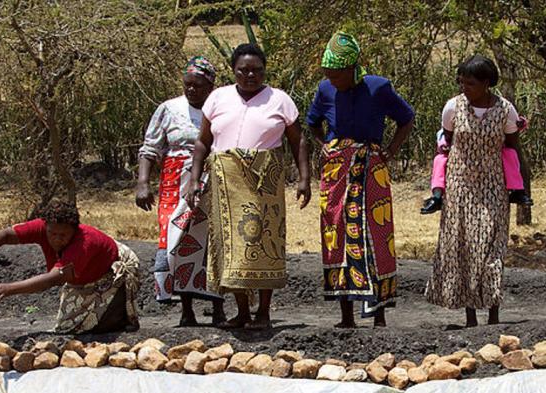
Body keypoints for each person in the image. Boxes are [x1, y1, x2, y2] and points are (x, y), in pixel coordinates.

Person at [188, 43, 311, 330]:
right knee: (232, 245)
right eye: (243, 70)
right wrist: (194, 178)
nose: (250, 75)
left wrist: (305, 178)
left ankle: (264, 313)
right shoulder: (218, 98)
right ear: (233, 71)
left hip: (264, 181)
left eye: (256, 70)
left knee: (265, 240)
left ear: (264, 71)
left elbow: (298, 141)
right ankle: (242, 311)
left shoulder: (280, 100)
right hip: (225, 182)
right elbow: (202, 142)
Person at [306, 31, 414, 328]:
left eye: (338, 75)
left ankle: (379, 315)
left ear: (353, 68)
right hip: (337, 173)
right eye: (329, 75)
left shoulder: (378, 88)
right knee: (336, 234)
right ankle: (346, 317)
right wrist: (325, 148)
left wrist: (390, 150)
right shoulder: (325, 90)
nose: (333, 81)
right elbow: (313, 123)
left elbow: (406, 117)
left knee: (376, 236)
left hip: (371, 171)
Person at [424, 56, 522, 328]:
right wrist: (439, 190)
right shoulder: (453, 108)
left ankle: (493, 310)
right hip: (460, 185)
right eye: (462, 81)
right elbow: (446, 146)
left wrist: (517, 187)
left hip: (493, 185)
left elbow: (511, 147)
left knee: (492, 245)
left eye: (471, 83)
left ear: (487, 84)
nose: (464, 87)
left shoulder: (505, 110)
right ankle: (469, 314)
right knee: (464, 246)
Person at [136, 56, 226, 327]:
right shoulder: (168, 109)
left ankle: (218, 307)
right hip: (174, 183)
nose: (191, 90)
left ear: (210, 87)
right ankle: (186, 309)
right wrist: (143, 183)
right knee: (177, 240)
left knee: (212, 241)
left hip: (212, 180)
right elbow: (150, 148)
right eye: (187, 85)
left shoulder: (221, 109)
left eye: (198, 86)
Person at [0, 200, 140, 333]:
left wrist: (8, 289)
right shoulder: (42, 226)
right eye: (52, 234)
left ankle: (118, 314)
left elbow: (52, 279)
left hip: (110, 268)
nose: (56, 239)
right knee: (68, 326)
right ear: (45, 227)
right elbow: (6, 234)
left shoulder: (83, 243)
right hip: (81, 275)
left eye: (63, 235)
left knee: (93, 327)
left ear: (74, 232)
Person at [421, 115, 532, 215]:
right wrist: (446, 145)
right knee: (439, 160)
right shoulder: (451, 122)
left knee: (510, 153)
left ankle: (518, 190)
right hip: (461, 157)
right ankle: (437, 197)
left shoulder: (495, 114)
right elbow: (442, 139)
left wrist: (520, 123)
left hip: (492, 152)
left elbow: (511, 128)